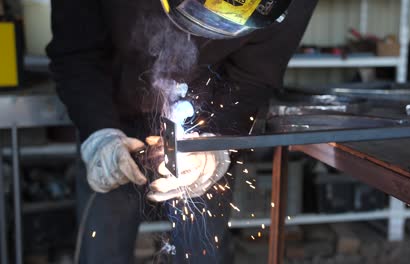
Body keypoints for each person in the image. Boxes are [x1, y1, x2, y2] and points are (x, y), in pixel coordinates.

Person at [46, 0, 318, 263]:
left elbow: (254, 77)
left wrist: (218, 146)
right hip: (112, 111)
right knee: (103, 246)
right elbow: (77, 53)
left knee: (203, 249)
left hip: (207, 122)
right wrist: (99, 131)